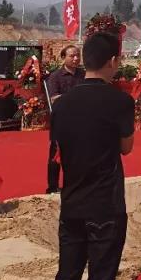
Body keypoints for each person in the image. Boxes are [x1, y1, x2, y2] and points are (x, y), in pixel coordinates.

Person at [49, 30, 135, 280]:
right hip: (105, 204)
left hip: (72, 201)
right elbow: (126, 147)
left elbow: (58, 148)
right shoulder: (121, 101)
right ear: (112, 61)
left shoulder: (62, 104)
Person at [45, 44, 84, 194]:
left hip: (79, 120)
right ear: (63, 57)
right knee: (56, 154)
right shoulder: (55, 76)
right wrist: (74, 97)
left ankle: (74, 185)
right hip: (61, 121)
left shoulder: (83, 75)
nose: (76, 58)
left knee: (77, 155)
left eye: (78, 55)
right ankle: (52, 187)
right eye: (72, 56)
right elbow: (54, 98)